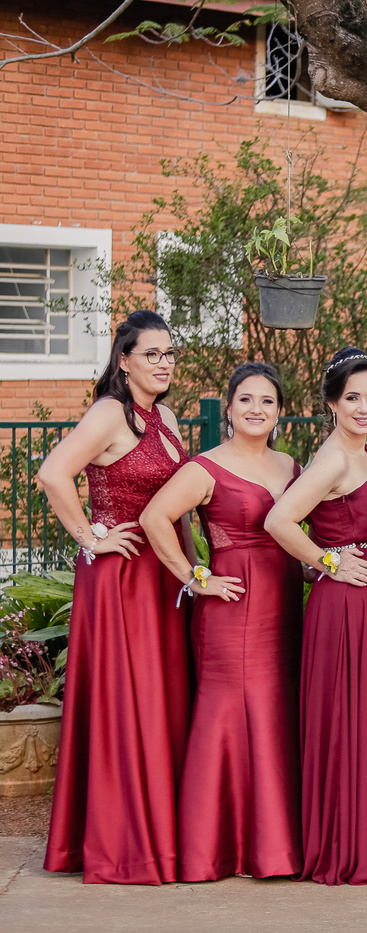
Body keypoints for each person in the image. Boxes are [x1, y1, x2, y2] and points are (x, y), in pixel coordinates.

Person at [37, 310, 191, 885]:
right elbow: (53, 474)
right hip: (121, 577)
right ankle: (124, 841)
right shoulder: (108, 412)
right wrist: (91, 537)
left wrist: (193, 566)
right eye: (152, 354)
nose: (163, 363)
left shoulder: (166, 417)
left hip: (165, 575)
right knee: (129, 699)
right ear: (124, 360)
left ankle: (165, 829)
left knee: (163, 696)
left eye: (169, 353)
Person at [140, 362, 303, 881]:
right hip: (232, 608)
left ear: (280, 412)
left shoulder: (292, 465)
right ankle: (213, 849)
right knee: (228, 717)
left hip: (284, 604)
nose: (257, 409)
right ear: (228, 408)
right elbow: (153, 517)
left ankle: (275, 848)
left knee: (275, 714)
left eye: (267, 401)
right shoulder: (204, 467)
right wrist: (195, 577)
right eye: (246, 400)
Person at [263, 348, 367, 885]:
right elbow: (279, 520)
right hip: (348, 605)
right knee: (350, 724)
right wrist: (326, 561)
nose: (364, 407)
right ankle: (349, 847)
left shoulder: (364, 451)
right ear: (332, 403)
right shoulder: (334, 457)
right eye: (352, 397)